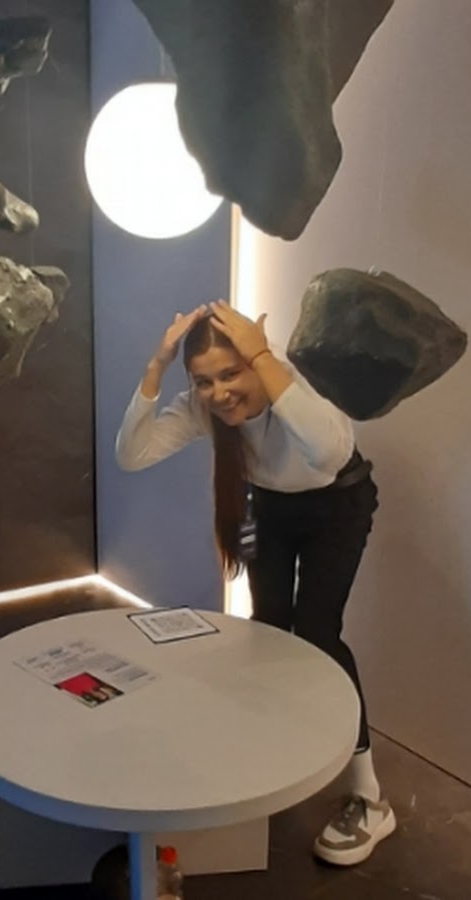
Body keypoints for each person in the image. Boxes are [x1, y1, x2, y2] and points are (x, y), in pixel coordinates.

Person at [115, 300, 396, 866]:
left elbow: (329, 452)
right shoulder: (204, 409)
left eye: (231, 373)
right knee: (265, 629)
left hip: (337, 505)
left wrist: (264, 358)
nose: (219, 393)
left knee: (317, 633)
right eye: (204, 381)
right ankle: (273, 750)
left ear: (253, 360)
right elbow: (132, 454)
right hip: (266, 509)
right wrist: (157, 365)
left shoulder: (295, 385)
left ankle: (369, 798)